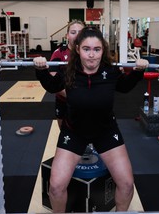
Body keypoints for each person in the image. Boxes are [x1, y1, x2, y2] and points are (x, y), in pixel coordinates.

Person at [33, 27, 149, 212]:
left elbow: (125, 87)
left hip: (106, 131)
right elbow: (51, 85)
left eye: (97, 49)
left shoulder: (110, 72)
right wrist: (41, 69)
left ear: (103, 50)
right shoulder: (68, 71)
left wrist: (137, 71)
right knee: (55, 187)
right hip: (74, 132)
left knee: (127, 184)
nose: (92, 55)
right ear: (78, 49)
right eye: (87, 49)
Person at [49, 20, 85, 128]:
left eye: (80, 32)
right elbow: (53, 78)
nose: (77, 35)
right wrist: (72, 96)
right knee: (64, 131)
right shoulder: (59, 53)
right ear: (67, 35)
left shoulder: (91, 53)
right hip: (64, 100)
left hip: (86, 100)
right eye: (73, 32)